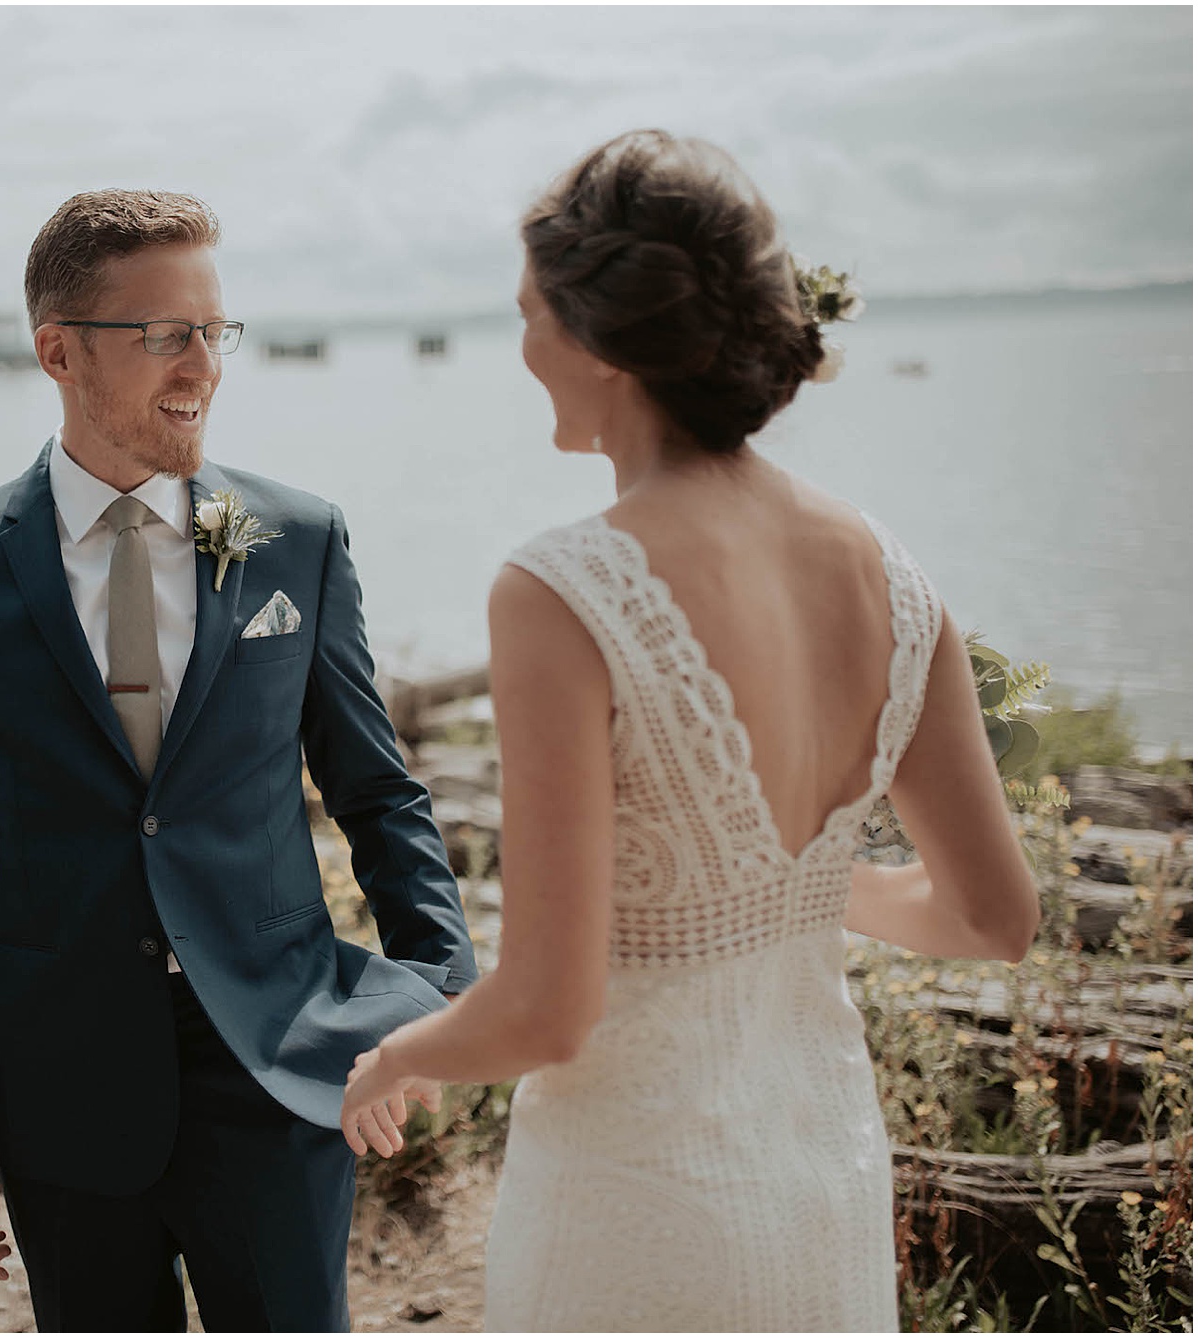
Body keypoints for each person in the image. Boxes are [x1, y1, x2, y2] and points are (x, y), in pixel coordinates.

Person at [339, 130, 1041, 1331]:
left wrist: (395, 1057)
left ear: (599, 342)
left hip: (633, 1217)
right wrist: (804, 883)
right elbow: (992, 918)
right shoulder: (889, 569)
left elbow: (546, 1012)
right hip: (820, 1184)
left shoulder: (562, 591)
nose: (519, 349)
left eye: (527, 315)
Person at [0, 189, 477, 1331]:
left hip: (284, 1062)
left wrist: (428, 1011)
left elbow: (379, 795)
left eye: (213, 330)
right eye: (164, 333)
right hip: (58, 1083)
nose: (201, 362)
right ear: (58, 351)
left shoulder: (296, 539)